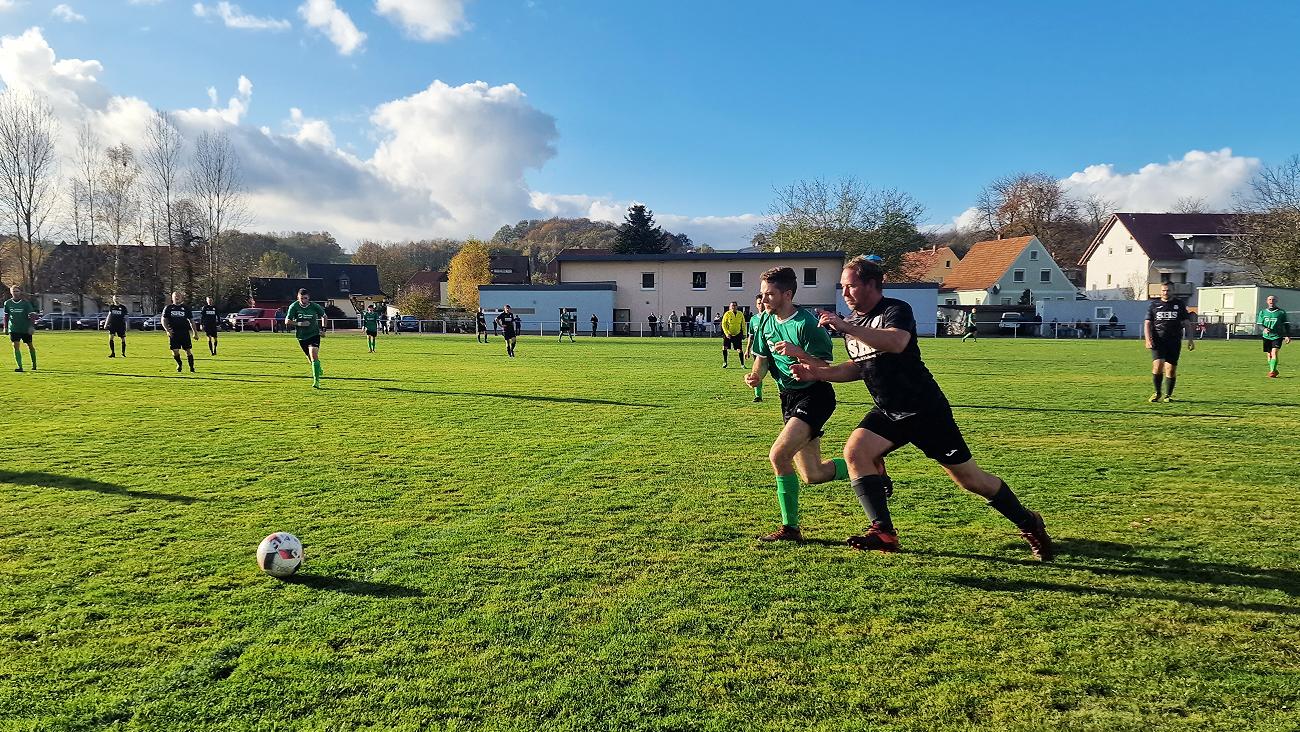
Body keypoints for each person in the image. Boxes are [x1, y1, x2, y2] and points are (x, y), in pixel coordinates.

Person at [790, 256, 1054, 560]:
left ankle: (1028, 521)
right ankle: (884, 532)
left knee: (970, 480)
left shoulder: (895, 309)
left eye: (851, 286)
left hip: (925, 410)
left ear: (872, 285)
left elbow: (897, 342)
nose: (845, 293)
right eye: (843, 287)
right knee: (856, 452)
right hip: (889, 411)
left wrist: (845, 325)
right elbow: (859, 367)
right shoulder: (854, 323)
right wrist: (819, 373)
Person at [745, 267, 850, 543]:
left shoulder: (806, 324)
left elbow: (826, 368)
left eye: (770, 294)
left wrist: (799, 354)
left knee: (778, 455)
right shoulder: (764, 320)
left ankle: (790, 529)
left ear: (787, 294)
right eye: (763, 293)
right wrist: (756, 376)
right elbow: (763, 358)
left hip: (815, 395)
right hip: (788, 397)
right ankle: (866, 467)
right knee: (813, 474)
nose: (764, 299)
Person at [1145, 282, 1195, 402]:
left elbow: (1187, 323)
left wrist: (1190, 340)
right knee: (1158, 365)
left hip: (1174, 340)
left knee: (1171, 369)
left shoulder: (1179, 304)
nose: (1165, 292)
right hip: (1158, 340)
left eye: (1168, 290)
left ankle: (1168, 395)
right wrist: (1148, 339)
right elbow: (1147, 323)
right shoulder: (1154, 305)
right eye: (1163, 290)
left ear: (1173, 291)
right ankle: (1157, 393)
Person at [285, 288, 327, 388]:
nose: (303, 301)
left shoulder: (314, 306)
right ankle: (318, 367)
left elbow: (324, 316)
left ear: (309, 298)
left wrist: (323, 330)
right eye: (301, 298)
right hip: (302, 337)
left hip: (314, 334)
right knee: (310, 359)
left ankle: (316, 381)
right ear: (298, 298)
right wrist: (300, 323)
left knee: (313, 355)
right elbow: (287, 321)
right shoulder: (294, 306)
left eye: (305, 298)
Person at [3, 284, 39, 372]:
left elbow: (32, 315)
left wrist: (31, 326)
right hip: (14, 328)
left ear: (20, 292)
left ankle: (34, 364)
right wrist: (6, 327)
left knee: (30, 345)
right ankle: (20, 367)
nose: (15, 293)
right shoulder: (7, 303)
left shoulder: (26, 303)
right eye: (13, 291)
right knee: (15, 346)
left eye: (17, 291)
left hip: (25, 328)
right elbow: (6, 316)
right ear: (11, 292)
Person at [161, 291, 198, 373]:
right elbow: (163, 320)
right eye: (175, 296)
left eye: (178, 296)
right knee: (175, 351)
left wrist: (195, 332)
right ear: (172, 298)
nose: (177, 297)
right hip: (173, 332)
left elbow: (191, 321)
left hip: (184, 332)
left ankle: (191, 368)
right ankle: (179, 364)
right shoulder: (168, 308)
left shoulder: (185, 308)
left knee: (188, 350)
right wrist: (167, 330)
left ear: (181, 298)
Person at [1258, 294, 1292, 378]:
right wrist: (1264, 329)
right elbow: (1259, 324)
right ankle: (1274, 369)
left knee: (1274, 352)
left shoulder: (1281, 312)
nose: (1271, 301)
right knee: (1269, 355)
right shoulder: (1263, 312)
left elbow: (1286, 325)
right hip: (1266, 336)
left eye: (1273, 300)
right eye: (1269, 299)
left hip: (1277, 336)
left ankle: (1272, 372)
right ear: (1267, 301)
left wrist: (1287, 335)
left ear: (1276, 301)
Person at [745, 293, 767, 402]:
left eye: (763, 303)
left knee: (778, 374)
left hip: (771, 351)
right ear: (756, 305)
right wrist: (747, 349)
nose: (761, 305)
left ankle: (783, 393)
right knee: (757, 373)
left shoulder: (772, 317)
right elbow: (751, 336)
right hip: (757, 351)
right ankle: (758, 396)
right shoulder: (753, 319)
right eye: (759, 303)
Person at [721, 300, 747, 368]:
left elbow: (743, 324)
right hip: (728, 334)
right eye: (732, 305)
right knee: (724, 347)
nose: (733, 307)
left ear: (737, 307)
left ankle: (742, 364)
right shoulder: (727, 314)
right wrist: (726, 333)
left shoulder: (740, 314)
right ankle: (725, 362)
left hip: (737, 334)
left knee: (739, 349)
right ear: (729, 307)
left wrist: (744, 333)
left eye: (735, 305)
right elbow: (723, 324)